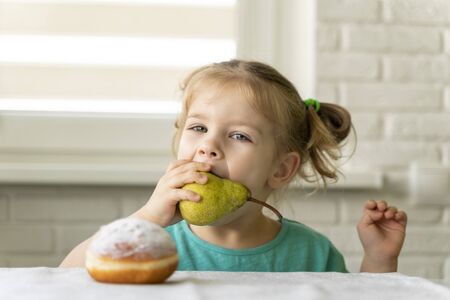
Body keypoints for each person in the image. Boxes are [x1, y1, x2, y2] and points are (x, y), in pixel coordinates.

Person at [60, 59, 407, 272]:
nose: (209, 146)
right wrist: (149, 218)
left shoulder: (312, 253)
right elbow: (63, 281)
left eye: (239, 136)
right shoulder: (155, 242)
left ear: (281, 169)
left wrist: (379, 260)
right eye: (198, 128)